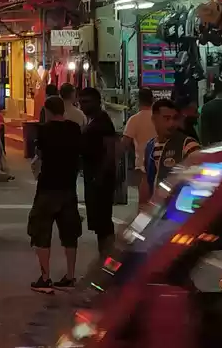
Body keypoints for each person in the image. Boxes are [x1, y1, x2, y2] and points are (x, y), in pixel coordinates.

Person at [28, 95, 82, 293]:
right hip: (68, 187)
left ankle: (45, 277)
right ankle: (70, 275)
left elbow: (39, 156)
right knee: (70, 233)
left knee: (41, 231)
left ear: (47, 111)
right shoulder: (74, 129)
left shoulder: (44, 131)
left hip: (48, 187)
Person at [79, 87, 117, 255]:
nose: (82, 105)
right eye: (81, 102)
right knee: (98, 222)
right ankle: (105, 259)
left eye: (86, 102)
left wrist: (101, 176)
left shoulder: (102, 121)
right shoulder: (93, 121)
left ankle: (108, 260)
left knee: (103, 223)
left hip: (100, 178)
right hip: (93, 176)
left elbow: (111, 150)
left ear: (97, 102)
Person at [143, 98, 201, 199]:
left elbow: (200, 178)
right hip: (158, 208)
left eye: (174, 118)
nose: (171, 123)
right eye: (166, 118)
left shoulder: (188, 144)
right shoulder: (150, 146)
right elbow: (147, 180)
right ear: (154, 119)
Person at [122, 88, 156, 205]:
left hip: (142, 164)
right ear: (152, 99)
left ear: (138, 100)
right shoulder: (157, 118)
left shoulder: (134, 120)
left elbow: (125, 142)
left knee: (143, 200)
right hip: (158, 160)